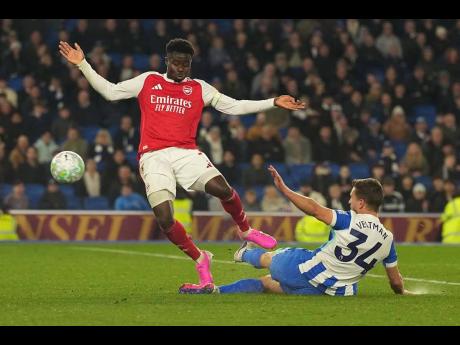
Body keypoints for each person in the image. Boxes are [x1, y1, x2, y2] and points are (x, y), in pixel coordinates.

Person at [58, 38, 305, 291]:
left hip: (186, 152)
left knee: (223, 189)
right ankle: (201, 258)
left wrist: (273, 101)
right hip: (153, 156)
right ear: (167, 62)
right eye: (176, 63)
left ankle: (244, 230)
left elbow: (234, 106)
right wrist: (83, 65)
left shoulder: (200, 88)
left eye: (186, 64)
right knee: (165, 218)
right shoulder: (148, 81)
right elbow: (110, 91)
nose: (181, 68)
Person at [180, 165, 413, 296]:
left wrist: (285, 189)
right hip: (330, 293)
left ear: (361, 203)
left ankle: (242, 254)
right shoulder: (388, 240)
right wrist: (403, 292)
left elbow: (314, 209)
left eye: (352, 198)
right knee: (267, 285)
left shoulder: (348, 219)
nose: (349, 201)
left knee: (271, 258)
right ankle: (217, 291)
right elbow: (395, 282)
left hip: (305, 268)